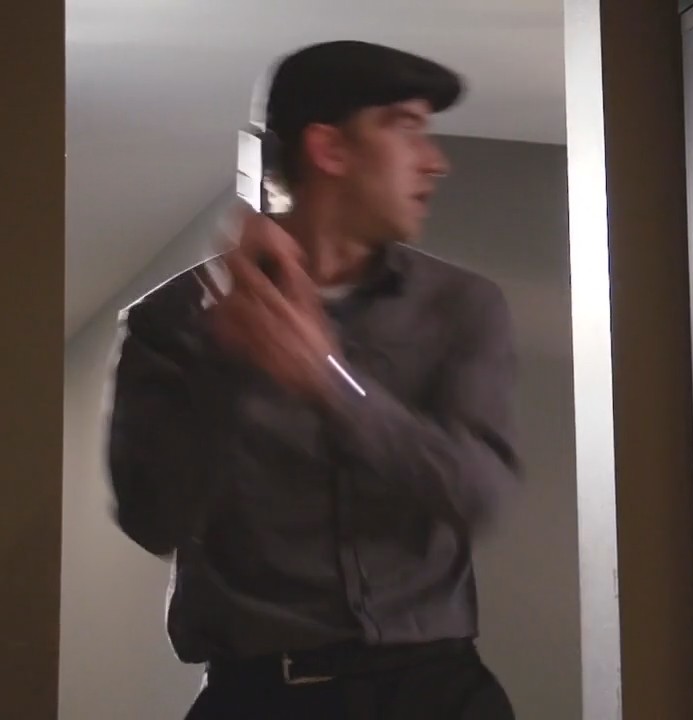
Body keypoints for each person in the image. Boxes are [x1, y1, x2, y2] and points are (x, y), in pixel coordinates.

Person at [106, 40, 521, 720]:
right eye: (406, 128)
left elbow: (478, 492)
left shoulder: (461, 307)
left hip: (436, 694)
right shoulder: (174, 321)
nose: (435, 161)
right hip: (257, 699)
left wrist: (327, 380)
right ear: (329, 149)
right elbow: (153, 520)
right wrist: (228, 365)